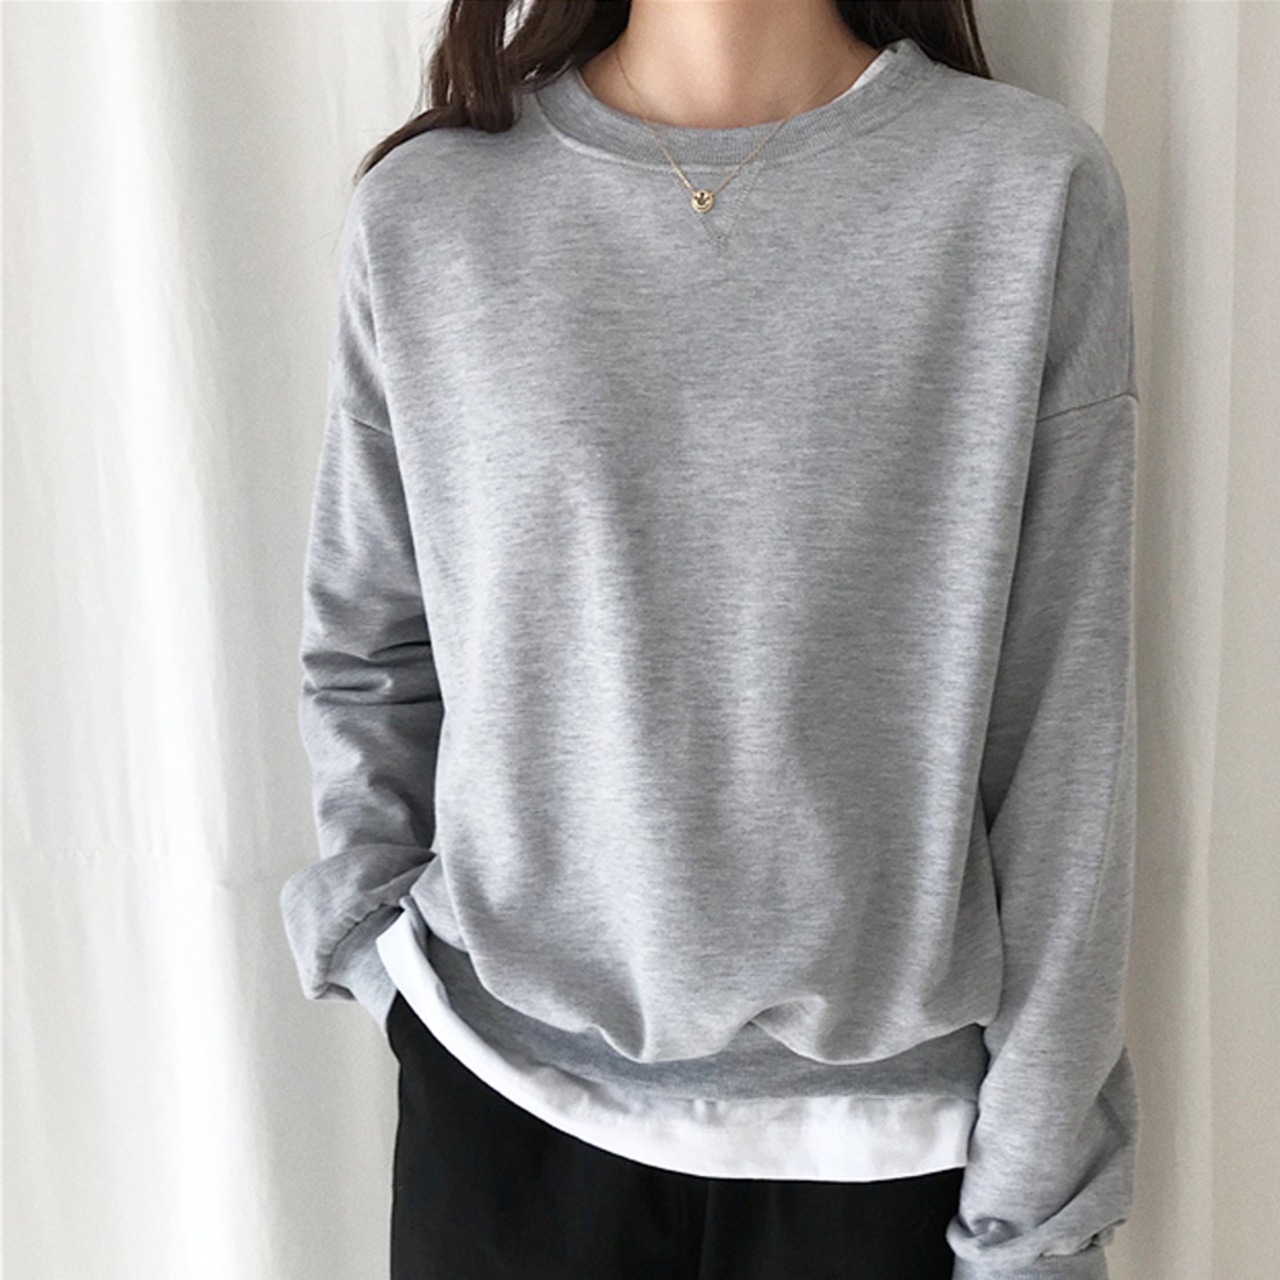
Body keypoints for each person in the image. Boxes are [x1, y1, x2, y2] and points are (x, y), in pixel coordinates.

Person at [279, 1, 1142, 1276]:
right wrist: (371, 939)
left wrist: (1034, 1208)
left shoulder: (1019, 188)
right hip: (498, 1106)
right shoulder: (433, 210)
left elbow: (1065, 732)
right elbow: (370, 642)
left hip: (879, 1152)